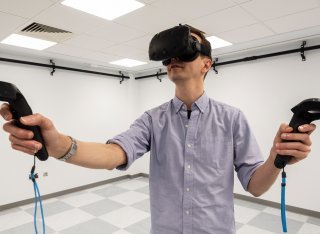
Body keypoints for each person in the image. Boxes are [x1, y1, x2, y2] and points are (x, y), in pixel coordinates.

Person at [0, 26, 316, 234]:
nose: (173, 60)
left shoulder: (233, 119)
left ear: (206, 63)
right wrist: (58, 145)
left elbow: (255, 186)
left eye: (186, 51)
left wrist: (277, 156)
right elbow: (114, 154)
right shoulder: (153, 120)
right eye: (168, 57)